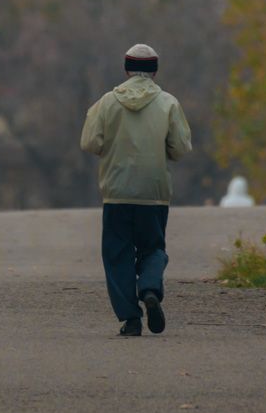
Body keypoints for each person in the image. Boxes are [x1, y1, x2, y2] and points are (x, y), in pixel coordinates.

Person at [80, 43, 192, 337]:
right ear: (155, 70)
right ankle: (150, 288)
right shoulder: (169, 103)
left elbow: (90, 143)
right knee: (153, 247)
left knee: (117, 254)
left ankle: (131, 319)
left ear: (126, 69)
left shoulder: (107, 102)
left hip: (117, 191)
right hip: (154, 192)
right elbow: (180, 149)